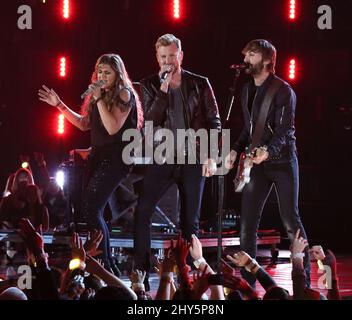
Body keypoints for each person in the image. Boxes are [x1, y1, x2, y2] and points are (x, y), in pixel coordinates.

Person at [38, 53, 143, 275]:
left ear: (118, 74)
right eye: (100, 72)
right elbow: (85, 124)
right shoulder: (100, 97)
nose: (102, 76)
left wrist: (99, 97)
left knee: (92, 208)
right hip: (98, 157)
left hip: (116, 158)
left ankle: (104, 262)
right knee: (92, 209)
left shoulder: (124, 93)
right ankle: (108, 264)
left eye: (108, 72)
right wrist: (59, 105)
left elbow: (113, 127)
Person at [134, 34, 221, 289]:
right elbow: (148, 122)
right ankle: (140, 270)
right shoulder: (149, 85)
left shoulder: (199, 83)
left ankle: (188, 274)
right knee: (143, 211)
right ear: (157, 58)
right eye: (163, 57)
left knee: (190, 221)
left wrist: (210, 155)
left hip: (193, 157)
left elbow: (214, 121)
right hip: (163, 156)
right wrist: (162, 90)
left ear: (180, 55)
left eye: (172, 56)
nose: (168, 61)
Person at [225, 39, 310, 286]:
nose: (246, 60)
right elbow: (249, 129)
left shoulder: (283, 91)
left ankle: (302, 276)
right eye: (246, 54)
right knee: (248, 221)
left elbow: (285, 130)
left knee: (289, 218)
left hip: (282, 161)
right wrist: (235, 149)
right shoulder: (246, 90)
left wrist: (268, 152)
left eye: (251, 55)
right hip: (257, 164)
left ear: (267, 60)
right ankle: (246, 280)